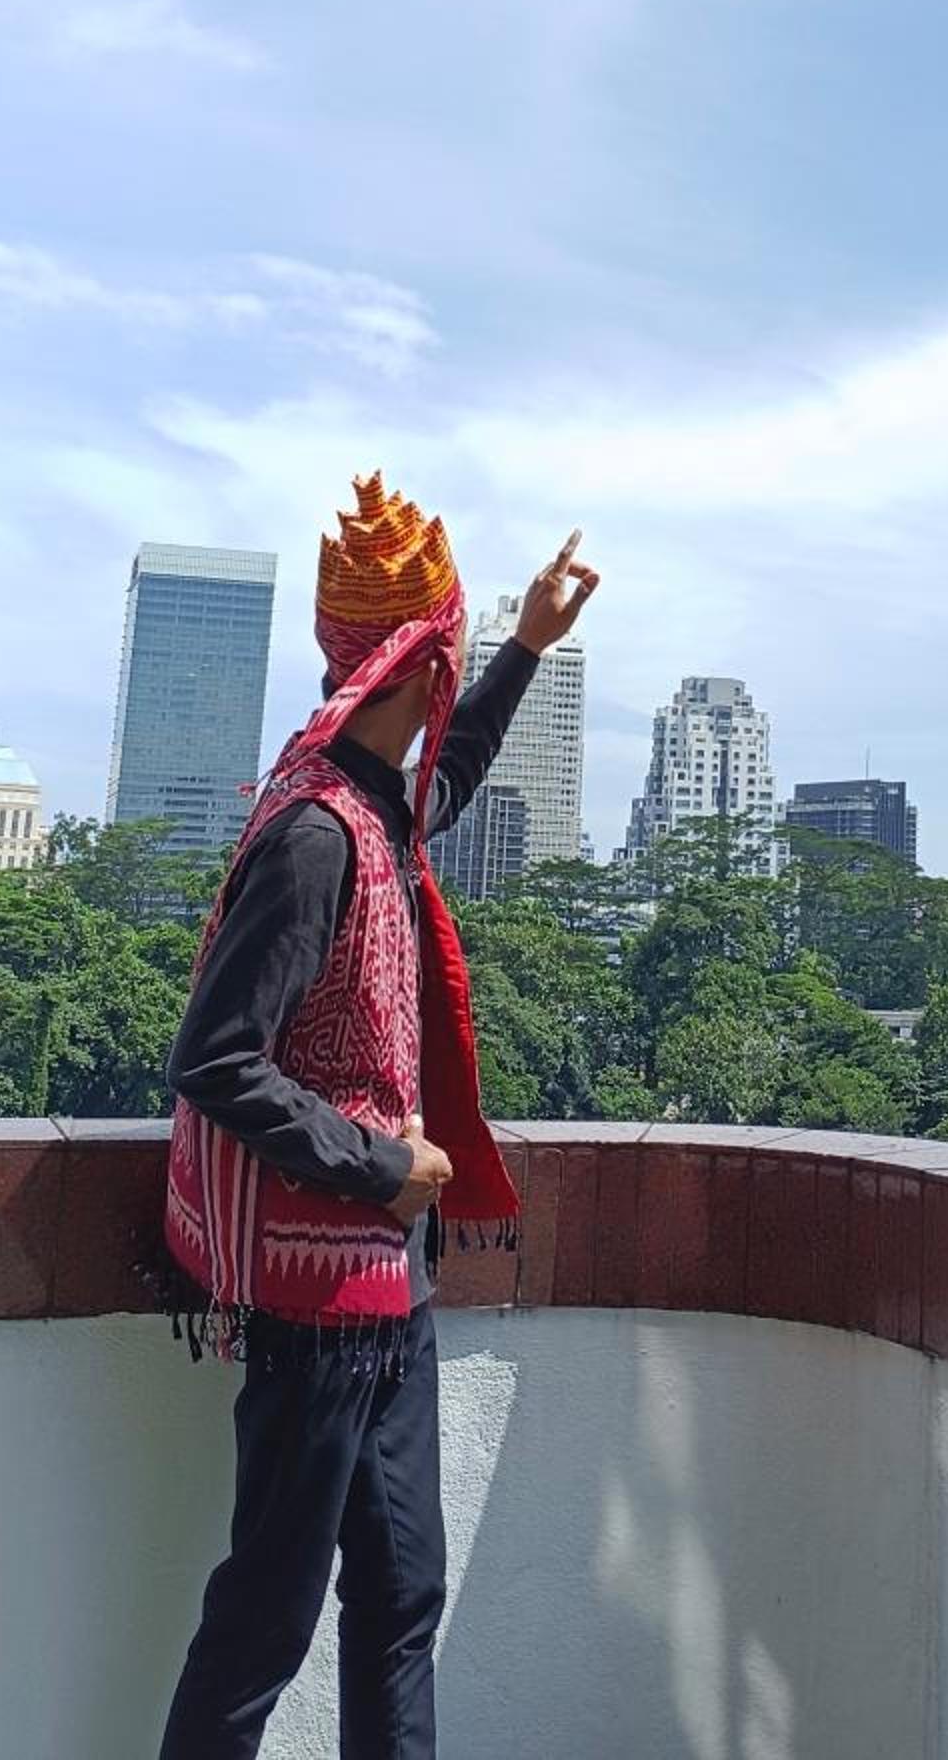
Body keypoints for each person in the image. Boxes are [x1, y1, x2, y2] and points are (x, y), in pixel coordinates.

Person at [157, 478, 599, 1760]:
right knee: (266, 1621)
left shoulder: (373, 802)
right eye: (455, 649)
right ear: (422, 662)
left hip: (386, 1289)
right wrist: (378, 1165)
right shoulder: (316, 835)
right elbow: (215, 1059)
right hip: (318, 1301)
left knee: (403, 1597)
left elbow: (449, 777)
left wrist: (527, 647)